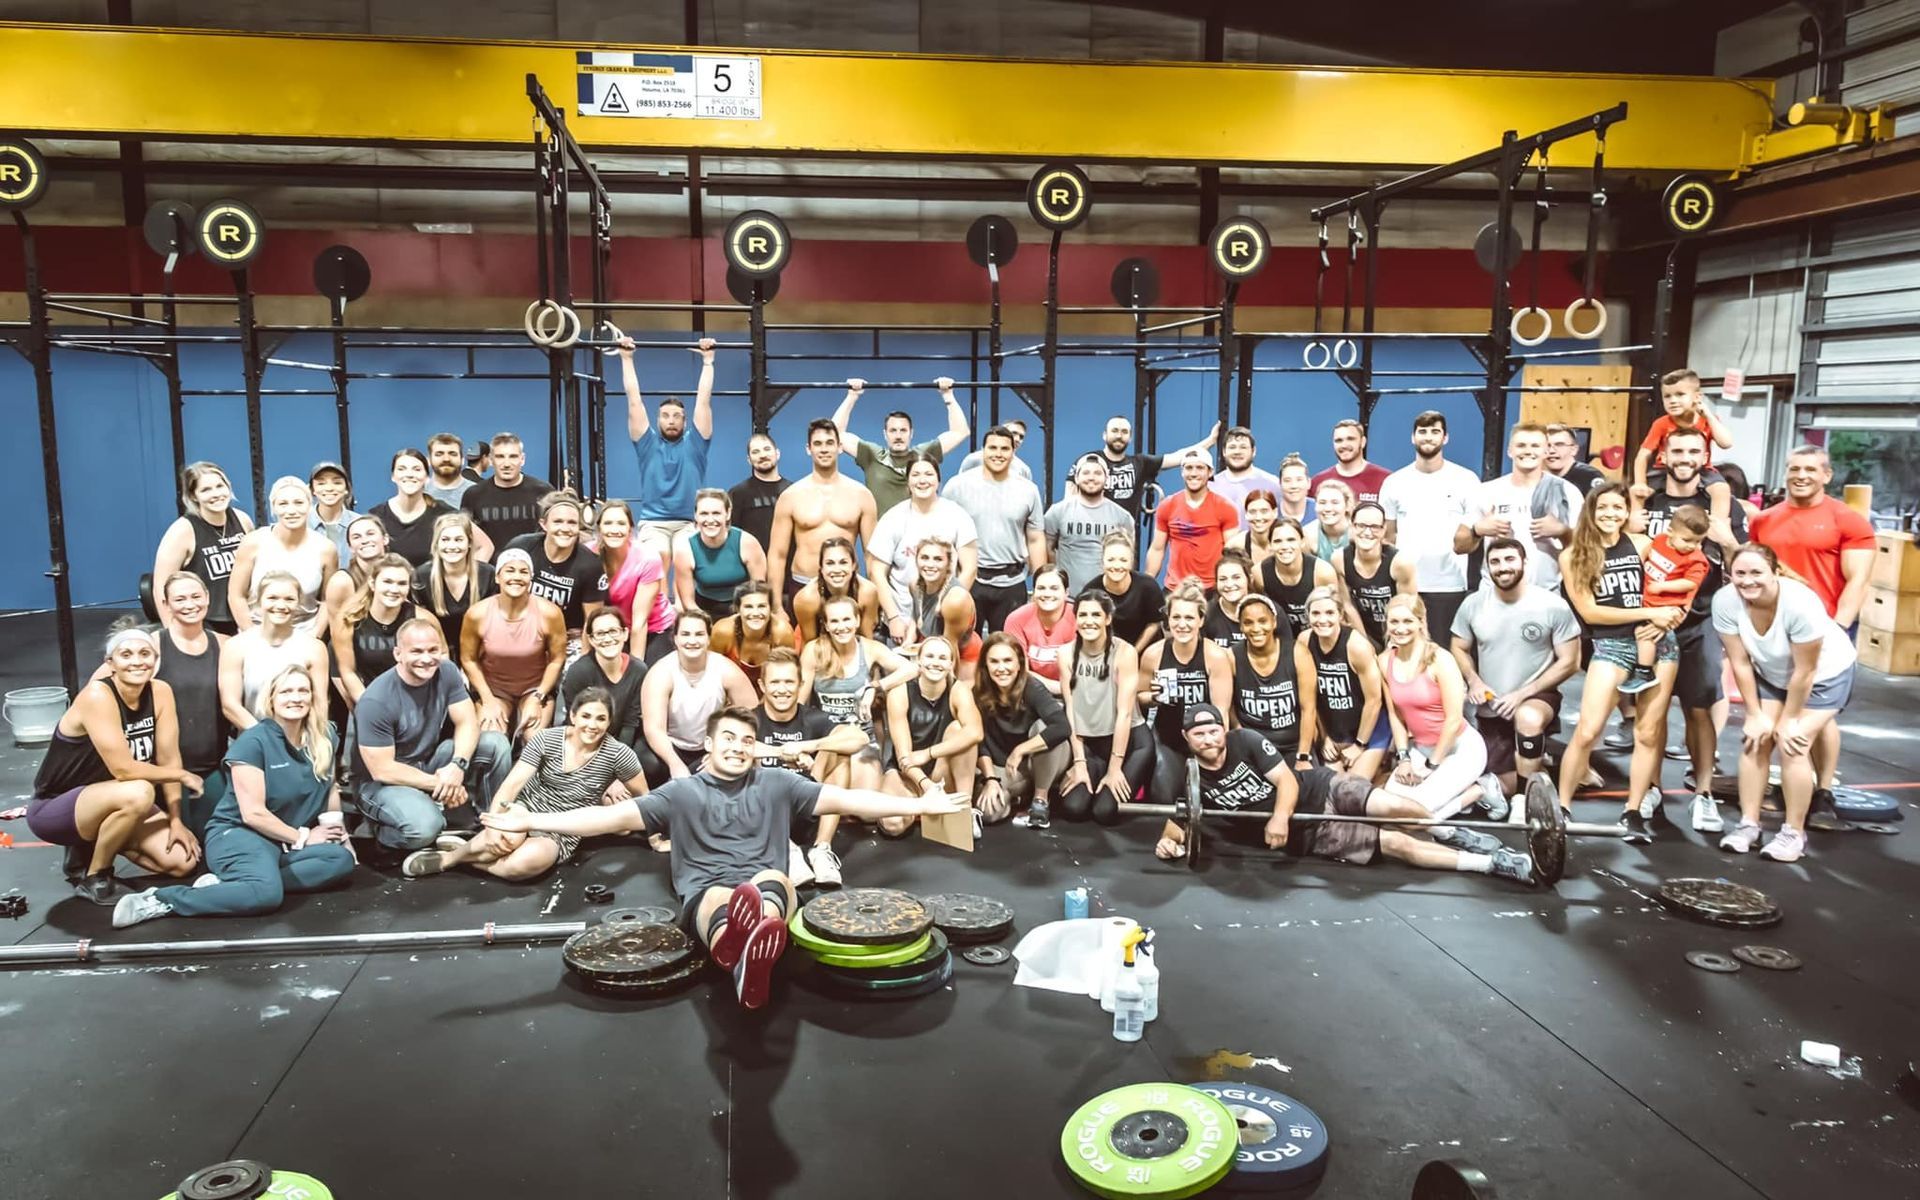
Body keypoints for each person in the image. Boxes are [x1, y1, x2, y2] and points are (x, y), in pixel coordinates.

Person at [481, 707, 968, 1008]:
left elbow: (853, 802)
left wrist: (919, 804)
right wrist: (531, 823)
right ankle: (742, 950)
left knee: (772, 880)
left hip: (763, 887)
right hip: (709, 894)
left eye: (747, 741)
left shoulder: (781, 784)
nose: (738, 747)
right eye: (728, 739)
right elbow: (604, 819)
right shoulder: (680, 793)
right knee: (718, 895)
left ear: (755, 749)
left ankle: (745, 952)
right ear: (709, 745)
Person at [1148, 705, 1534, 885]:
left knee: (1392, 805)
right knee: (1398, 844)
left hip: (1320, 787)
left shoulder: (1244, 740)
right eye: (1199, 734)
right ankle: (1492, 864)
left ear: (1221, 729)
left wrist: (1279, 817)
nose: (1209, 738)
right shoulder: (1194, 778)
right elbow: (1179, 823)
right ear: (1187, 740)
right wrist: (1168, 843)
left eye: (1213, 730)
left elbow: (1285, 781)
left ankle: (1449, 832)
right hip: (1312, 834)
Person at [111, 664, 354, 927]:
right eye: (286, 691)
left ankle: (233, 885)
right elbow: (253, 814)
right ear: (271, 698)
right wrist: (303, 838)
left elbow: (329, 786)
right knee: (266, 895)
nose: (295, 698)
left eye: (302, 691)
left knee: (340, 861)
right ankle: (162, 899)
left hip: (281, 841)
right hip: (241, 834)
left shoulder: (325, 734)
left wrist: (338, 833)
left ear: (312, 696)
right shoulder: (253, 742)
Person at [28, 625, 202, 903]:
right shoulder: (98, 695)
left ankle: (99, 842)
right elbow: (125, 770)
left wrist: (176, 819)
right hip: (56, 807)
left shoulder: (161, 692)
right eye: (126, 654)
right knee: (140, 790)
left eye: (145, 653)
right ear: (111, 664)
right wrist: (182, 775)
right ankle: (97, 876)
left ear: (155, 661)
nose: (137, 661)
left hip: (116, 797)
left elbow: (169, 757)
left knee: (183, 862)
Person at [402, 687, 649, 882]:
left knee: (524, 864)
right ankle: (448, 859)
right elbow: (512, 784)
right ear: (573, 716)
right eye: (586, 716)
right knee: (505, 840)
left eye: (600, 719)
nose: (592, 725)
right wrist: (493, 823)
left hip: (563, 828)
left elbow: (647, 799)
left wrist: (655, 838)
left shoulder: (618, 754)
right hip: (526, 809)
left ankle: (466, 857)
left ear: (608, 723)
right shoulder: (547, 739)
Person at [1554, 485, 1688, 841]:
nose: (1610, 513)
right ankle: (1561, 808)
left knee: (1647, 732)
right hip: (1611, 645)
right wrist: (1651, 612)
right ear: (1591, 511)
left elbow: (1679, 584)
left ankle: (1633, 811)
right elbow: (1589, 610)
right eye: (1603, 507)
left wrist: (1673, 617)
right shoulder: (1572, 556)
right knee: (1587, 729)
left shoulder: (1644, 545)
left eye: (1618, 507)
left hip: (1657, 644)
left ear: (1628, 511)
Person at [1632, 426, 1748, 827]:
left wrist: (1728, 540)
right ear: (1664, 452)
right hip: (1651, 620)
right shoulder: (1647, 492)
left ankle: (1704, 794)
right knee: (1653, 712)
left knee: (1698, 710)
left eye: (1693, 451)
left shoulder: (1719, 500)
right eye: (1677, 449)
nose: (1685, 457)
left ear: (1705, 456)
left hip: (1699, 620)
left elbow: (1739, 563)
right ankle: (1651, 791)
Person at [1713, 545, 1859, 863]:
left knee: (1792, 743)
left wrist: (1789, 720)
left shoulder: (1800, 604)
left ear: (1775, 572)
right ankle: (1749, 825)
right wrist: (1753, 714)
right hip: (1772, 672)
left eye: (1756, 573)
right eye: (1740, 573)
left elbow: (1805, 671)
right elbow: (1739, 662)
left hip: (1825, 675)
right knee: (1755, 740)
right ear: (1730, 575)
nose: (1748, 581)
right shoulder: (1725, 600)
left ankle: (1794, 833)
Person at [355, 618, 513, 851]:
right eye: (416, 651)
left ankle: (491, 823)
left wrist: (458, 766)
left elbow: (468, 722)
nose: (427, 658)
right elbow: (383, 770)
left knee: (495, 743)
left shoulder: (446, 671)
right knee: (425, 829)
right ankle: (382, 830)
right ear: (398, 654)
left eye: (433, 650)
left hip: (427, 763)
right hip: (382, 784)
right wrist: (443, 784)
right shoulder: (375, 701)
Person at [1450, 537, 1581, 800]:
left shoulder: (1552, 605)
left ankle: (1525, 801)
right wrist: (1474, 681)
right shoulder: (1473, 604)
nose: (1502, 567)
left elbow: (1571, 661)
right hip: (1492, 705)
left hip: (1536, 696)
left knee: (1528, 718)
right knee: (1497, 783)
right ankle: (1538, 766)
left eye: (1509, 559)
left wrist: (1522, 695)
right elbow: (1458, 647)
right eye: (1495, 562)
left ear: (1524, 562)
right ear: (1487, 568)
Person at [756, 646, 868, 884]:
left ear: (800, 684)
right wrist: (783, 753)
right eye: (775, 682)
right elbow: (729, 748)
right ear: (762, 686)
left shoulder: (812, 718)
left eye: (789, 682)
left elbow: (860, 738)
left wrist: (809, 746)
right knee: (744, 764)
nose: (783, 690)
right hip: (764, 817)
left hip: (805, 810)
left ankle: (821, 850)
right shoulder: (750, 719)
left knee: (839, 752)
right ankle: (787, 851)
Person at [1378, 595, 1491, 818]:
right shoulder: (1384, 661)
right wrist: (1404, 759)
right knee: (1389, 809)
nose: (1400, 629)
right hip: (1420, 748)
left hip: (1460, 748)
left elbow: (1453, 720)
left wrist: (1431, 767)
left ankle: (1482, 789)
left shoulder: (1441, 659)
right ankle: (1457, 798)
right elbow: (1396, 715)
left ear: (1421, 622)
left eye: (1408, 621)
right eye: (1394, 622)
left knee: (1416, 814)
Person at [1750, 444, 1875, 632]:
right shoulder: (1762, 520)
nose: (1801, 476)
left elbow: (1859, 581)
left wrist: (1838, 628)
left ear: (1827, 475)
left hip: (1823, 625)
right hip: (1771, 626)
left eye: (1810, 470)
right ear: (1786, 473)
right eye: (1794, 469)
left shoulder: (1848, 520)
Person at [1380, 411, 1478, 643]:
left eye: (1435, 432)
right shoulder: (1394, 482)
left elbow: (1473, 536)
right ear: (1413, 437)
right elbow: (1388, 536)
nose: (1428, 437)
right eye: (1422, 432)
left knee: (1442, 653)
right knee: (1406, 652)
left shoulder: (1466, 480)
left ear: (1445, 438)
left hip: (1449, 585)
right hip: (1406, 586)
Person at [1056, 591, 1152, 825]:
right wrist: (1079, 763)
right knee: (1074, 809)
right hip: (1090, 741)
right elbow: (1070, 710)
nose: (1089, 621)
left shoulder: (1125, 652)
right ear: (1075, 619)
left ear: (1107, 619)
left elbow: (1125, 714)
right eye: (1083, 615)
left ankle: (1131, 781)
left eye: (1096, 614)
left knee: (1104, 812)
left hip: (1129, 742)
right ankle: (1093, 776)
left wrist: (1115, 768)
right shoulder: (1066, 653)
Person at [146, 573, 230, 835]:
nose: (189, 604)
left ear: (207, 597)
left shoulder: (225, 644)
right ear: (166, 604)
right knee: (182, 857)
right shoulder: (152, 646)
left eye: (195, 596)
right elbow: (101, 686)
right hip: (165, 772)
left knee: (214, 842)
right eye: (179, 599)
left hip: (210, 769)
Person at [1455, 423, 1583, 595]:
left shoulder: (1567, 492)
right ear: (1510, 451)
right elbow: (1459, 545)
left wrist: (1562, 531)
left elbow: (1587, 547)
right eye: (1521, 445)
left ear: (1546, 451)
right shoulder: (1487, 491)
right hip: (1494, 597)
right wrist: (1477, 530)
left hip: (1545, 596)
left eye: (1535, 446)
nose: (1528, 451)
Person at [941, 424, 1046, 633]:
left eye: (1004, 449)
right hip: (969, 581)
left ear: (1013, 451)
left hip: (1012, 583)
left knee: (1008, 650)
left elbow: (1035, 539)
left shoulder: (1028, 490)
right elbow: (943, 537)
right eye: (992, 448)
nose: (998, 454)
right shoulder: (957, 486)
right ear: (983, 450)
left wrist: (1040, 585)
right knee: (964, 647)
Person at [621, 335, 717, 559]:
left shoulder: (696, 443)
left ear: (685, 421)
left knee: (685, 557)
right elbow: (634, 400)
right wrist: (626, 358)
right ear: (657, 421)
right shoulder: (647, 443)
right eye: (665, 416)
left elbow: (704, 400)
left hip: (688, 522)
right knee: (659, 555)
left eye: (677, 416)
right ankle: (660, 597)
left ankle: (684, 597)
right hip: (653, 523)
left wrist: (708, 361)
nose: (671, 420)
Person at [640, 609, 760, 786]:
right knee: (648, 764)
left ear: (708, 639)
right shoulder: (660, 673)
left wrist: (720, 751)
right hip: (671, 745)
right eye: (686, 634)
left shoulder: (725, 670)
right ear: (675, 638)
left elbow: (752, 715)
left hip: (709, 747)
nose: (692, 641)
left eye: (699, 634)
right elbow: (654, 729)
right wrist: (676, 765)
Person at [880, 635, 984, 838]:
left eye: (943, 658)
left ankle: (965, 808)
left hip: (940, 768)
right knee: (892, 825)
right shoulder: (900, 693)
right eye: (930, 656)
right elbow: (904, 758)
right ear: (919, 661)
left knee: (959, 730)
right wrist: (929, 788)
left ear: (951, 664)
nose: (936, 662)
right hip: (907, 774)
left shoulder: (958, 690)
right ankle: (926, 806)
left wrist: (929, 753)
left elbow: (975, 732)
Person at [1138, 584, 1234, 804]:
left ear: (1200, 621)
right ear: (1168, 620)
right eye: (1176, 617)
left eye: (1189, 618)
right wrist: (1152, 697)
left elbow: (1221, 713)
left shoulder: (1214, 656)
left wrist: (1217, 754)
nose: (1182, 625)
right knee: (1164, 797)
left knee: (1211, 800)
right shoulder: (1153, 654)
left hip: (1205, 740)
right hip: (1168, 739)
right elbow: (1138, 698)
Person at [459, 549, 567, 744]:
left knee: (534, 740)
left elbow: (557, 658)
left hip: (535, 688)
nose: (517, 577)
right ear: (498, 577)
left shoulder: (550, 613)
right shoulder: (477, 614)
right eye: (510, 570)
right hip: (494, 690)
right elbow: (468, 659)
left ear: (531, 579)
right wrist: (487, 699)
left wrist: (538, 695)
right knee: (490, 739)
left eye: (523, 572)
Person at [869, 453, 978, 643]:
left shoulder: (957, 515)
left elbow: (970, 569)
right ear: (908, 480)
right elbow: (876, 572)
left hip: (945, 619)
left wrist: (949, 605)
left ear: (938, 479)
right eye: (915, 474)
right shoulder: (893, 518)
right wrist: (893, 617)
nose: (922, 480)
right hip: (903, 621)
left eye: (928, 474)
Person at [767, 418, 878, 602]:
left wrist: (877, 601)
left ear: (840, 447)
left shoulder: (861, 495)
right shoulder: (790, 497)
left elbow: (872, 556)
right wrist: (777, 606)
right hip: (802, 585)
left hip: (847, 587)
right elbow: (777, 555)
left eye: (829, 443)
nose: (824, 449)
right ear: (808, 449)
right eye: (817, 444)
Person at [973, 632, 1071, 829]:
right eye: (994, 661)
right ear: (985, 665)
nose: (1001, 668)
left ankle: (1040, 798)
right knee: (989, 814)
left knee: (1043, 727)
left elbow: (1062, 726)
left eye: (1008, 660)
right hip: (1003, 768)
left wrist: (1021, 750)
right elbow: (979, 742)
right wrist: (990, 779)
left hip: (1037, 761)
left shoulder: (1032, 687)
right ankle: (1017, 797)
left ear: (1019, 664)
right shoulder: (977, 693)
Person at [831, 377, 970, 515]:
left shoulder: (923, 455)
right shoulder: (872, 455)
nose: (898, 436)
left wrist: (948, 395)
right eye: (893, 431)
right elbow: (835, 434)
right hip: (880, 534)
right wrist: (852, 396)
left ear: (911, 433)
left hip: (918, 534)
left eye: (903, 430)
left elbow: (960, 432)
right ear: (885, 434)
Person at [801, 594, 916, 760]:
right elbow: (800, 703)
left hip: (862, 738)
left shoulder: (870, 648)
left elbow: (911, 668)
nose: (842, 627)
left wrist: (875, 686)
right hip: (828, 739)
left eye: (847, 619)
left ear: (857, 620)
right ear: (826, 625)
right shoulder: (814, 650)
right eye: (834, 621)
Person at [1295, 587, 1389, 779]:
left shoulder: (1357, 646)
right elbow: (1310, 697)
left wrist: (1360, 745)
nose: (1322, 620)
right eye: (1316, 613)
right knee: (1332, 788)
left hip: (1370, 732)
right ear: (1308, 616)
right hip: (1334, 731)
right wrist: (1324, 738)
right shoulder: (1304, 641)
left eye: (1329, 613)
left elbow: (1374, 700)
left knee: (1352, 789)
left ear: (1340, 615)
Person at [219, 571, 332, 730]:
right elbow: (230, 705)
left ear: (298, 603)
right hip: (251, 740)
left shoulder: (314, 648)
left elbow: (320, 705)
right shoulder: (235, 646)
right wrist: (267, 740)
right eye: (272, 598)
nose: (281, 606)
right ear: (259, 601)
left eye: (289, 599)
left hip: (299, 742)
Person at [152, 461, 254, 634]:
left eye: (219, 486)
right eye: (206, 490)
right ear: (193, 496)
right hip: (204, 622)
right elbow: (161, 588)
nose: (216, 494)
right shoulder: (182, 531)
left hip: (244, 615)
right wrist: (173, 636)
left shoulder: (242, 520)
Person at [228, 476, 335, 634]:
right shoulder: (253, 542)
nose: (291, 511)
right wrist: (251, 637)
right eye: (283, 504)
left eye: (298, 503)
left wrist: (315, 636)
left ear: (310, 506)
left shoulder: (326, 548)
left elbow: (329, 600)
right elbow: (236, 595)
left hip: (305, 634)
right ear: (274, 508)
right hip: (258, 631)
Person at [504, 489, 606, 650]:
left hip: (569, 638)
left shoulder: (590, 565)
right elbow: (501, 598)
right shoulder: (521, 548)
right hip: (520, 629)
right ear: (543, 524)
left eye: (572, 522)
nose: (565, 528)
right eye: (558, 521)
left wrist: (583, 663)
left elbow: (592, 621)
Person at [1632, 369, 1735, 518]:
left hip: (1702, 470)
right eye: (1667, 396)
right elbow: (1642, 456)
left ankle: (1718, 525)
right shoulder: (1661, 423)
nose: (1672, 400)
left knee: (1721, 489)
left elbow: (1726, 443)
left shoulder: (1707, 420)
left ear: (1697, 397)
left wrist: (1709, 415)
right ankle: (1636, 524)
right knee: (1635, 492)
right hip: (1664, 470)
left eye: (1680, 395)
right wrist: (1640, 483)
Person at [1086, 415, 1219, 525]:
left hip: (1124, 540)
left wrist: (1211, 441)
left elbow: (1178, 456)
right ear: (1104, 435)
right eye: (1114, 430)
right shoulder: (1089, 461)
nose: (1119, 436)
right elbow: (1072, 499)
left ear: (1130, 438)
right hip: (1092, 536)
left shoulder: (1140, 463)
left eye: (1124, 432)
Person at [1634, 504, 1712, 689]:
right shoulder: (1659, 540)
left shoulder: (1696, 559)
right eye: (1687, 540)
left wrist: (1663, 586)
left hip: (1666, 607)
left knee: (1646, 636)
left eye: (1699, 541)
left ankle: (1644, 672)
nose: (1693, 546)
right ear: (1670, 531)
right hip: (1645, 603)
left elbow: (1691, 583)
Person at [331, 554, 421, 708]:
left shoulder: (422, 619)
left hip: (415, 701)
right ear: (372, 583)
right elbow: (348, 672)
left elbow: (441, 659)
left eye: (401, 583)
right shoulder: (348, 620)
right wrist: (371, 708)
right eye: (387, 582)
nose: (394, 589)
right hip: (369, 699)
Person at [596, 498, 675, 663]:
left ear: (630, 529)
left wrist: (635, 669)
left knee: (647, 678)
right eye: (608, 523)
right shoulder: (589, 554)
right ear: (599, 528)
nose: (614, 530)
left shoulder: (647, 558)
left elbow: (640, 622)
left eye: (621, 524)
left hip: (654, 629)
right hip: (615, 631)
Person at [1147, 450, 1238, 590]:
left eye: (1200, 468)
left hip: (1212, 589)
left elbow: (1232, 553)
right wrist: (1146, 584)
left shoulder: (1225, 507)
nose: (1194, 473)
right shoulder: (1167, 505)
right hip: (1175, 589)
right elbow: (1157, 549)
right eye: (1189, 468)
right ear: (1182, 472)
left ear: (1210, 472)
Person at [561, 607, 645, 757]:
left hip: (621, 740)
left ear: (625, 634)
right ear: (591, 640)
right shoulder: (578, 672)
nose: (607, 639)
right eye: (600, 634)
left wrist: (617, 759)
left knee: (649, 762)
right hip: (585, 737)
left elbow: (630, 722)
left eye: (613, 631)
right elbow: (576, 721)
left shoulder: (638, 670)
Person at [671, 488, 766, 618]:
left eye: (716, 513)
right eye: (704, 513)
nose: (710, 520)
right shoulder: (684, 550)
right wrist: (708, 624)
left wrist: (741, 618)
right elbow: (689, 603)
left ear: (727, 514)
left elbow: (759, 592)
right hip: (704, 611)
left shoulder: (747, 543)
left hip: (744, 610)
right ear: (695, 515)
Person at [1045, 453, 1133, 593]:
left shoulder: (1123, 517)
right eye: (1086, 472)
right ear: (1076, 478)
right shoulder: (1057, 512)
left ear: (1107, 479)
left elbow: (1127, 558)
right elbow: (1047, 548)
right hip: (1067, 598)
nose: (1091, 477)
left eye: (1098, 473)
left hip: (1107, 599)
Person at [1336, 501, 1418, 649]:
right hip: (1362, 633)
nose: (1367, 533)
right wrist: (1366, 645)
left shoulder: (1401, 563)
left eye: (1374, 527)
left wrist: (1394, 646)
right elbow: (1347, 606)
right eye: (1361, 526)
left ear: (1383, 529)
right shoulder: (1339, 559)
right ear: (1352, 526)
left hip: (1399, 632)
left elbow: (1410, 610)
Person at [1230, 593, 1302, 757]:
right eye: (1248, 623)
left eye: (1263, 621)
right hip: (1253, 748)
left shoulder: (1298, 653)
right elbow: (1228, 707)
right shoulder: (1231, 657)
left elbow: (1309, 709)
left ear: (1274, 622)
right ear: (1240, 626)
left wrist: (1303, 755)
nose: (1256, 629)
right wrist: (1241, 736)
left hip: (1293, 746)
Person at [411, 511, 495, 652]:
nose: (451, 546)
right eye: (445, 539)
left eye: (458, 539)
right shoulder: (422, 577)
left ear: (469, 543)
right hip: (436, 653)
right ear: (436, 543)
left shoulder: (487, 575)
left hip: (481, 651)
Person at [366, 448, 462, 568]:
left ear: (427, 477)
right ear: (393, 476)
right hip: (393, 586)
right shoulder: (376, 517)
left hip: (433, 586)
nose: (409, 474)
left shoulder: (445, 514)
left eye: (416, 469)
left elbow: (482, 546)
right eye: (401, 469)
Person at [903, 535, 983, 678]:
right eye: (925, 557)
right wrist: (909, 640)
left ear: (948, 564)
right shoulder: (914, 585)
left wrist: (949, 690)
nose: (930, 564)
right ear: (916, 560)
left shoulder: (955, 599)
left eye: (938, 559)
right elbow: (917, 615)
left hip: (961, 656)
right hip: (929, 650)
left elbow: (950, 650)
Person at [460, 432, 551, 548]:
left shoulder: (544, 492)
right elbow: (464, 536)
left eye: (513, 456)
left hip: (533, 565)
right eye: (500, 457)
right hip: (488, 565)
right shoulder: (473, 495)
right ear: (491, 460)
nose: (506, 464)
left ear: (522, 459)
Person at [1255, 518, 1339, 635]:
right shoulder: (1259, 573)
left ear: (1302, 541)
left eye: (1291, 540)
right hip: (1279, 639)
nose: (1284, 546)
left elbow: (1335, 616)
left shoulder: (1322, 572)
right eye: (1278, 541)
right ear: (1270, 545)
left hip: (1317, 637)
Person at [793, 536, 883, 644]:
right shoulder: (806, 598)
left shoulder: (868, 592)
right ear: (821, 568)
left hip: (853, 644)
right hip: (819, 647)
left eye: (843, 562)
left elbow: (866, 640)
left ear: (854, 565)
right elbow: (810, 645)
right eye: (830, 563)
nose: (837, 570)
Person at [710, 581, 795, 691]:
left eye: (762, 606)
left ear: (770, 608)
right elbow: (712, 673)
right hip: (730, 692)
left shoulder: (782, 632)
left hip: (772, 692)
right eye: (748, 607)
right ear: (737, 609)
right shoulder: (723, 631)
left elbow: (787, 675)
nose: (755, 613)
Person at [1004, 564, 1077, 691]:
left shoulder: (1080, 617)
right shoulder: (1016, 619)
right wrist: (1058, 688)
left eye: (1054, 588)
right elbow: (1018, 671)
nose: (1047, 594)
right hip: (1030, 690)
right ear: (1033, 592)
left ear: (1066, 593)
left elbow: (1086, 671)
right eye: (1041, 588)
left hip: (1075, 689)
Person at [1089, 530, 1164, 654]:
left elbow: (1154, 623)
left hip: (1146, 654)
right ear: (1103, 561)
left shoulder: (1148, 587)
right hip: (1107, 654)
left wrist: (1133, 653)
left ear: (1131, 562)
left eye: (1123, 560)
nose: (1117, 566)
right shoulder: (1092, 591)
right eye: (1111, 560)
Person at [727, 431, 790, 554]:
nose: (762, 455)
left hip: (788, 568)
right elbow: (730, 537)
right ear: (749, 460)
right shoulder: (738, 493)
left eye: (767, 449)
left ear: (777, 453)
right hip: (751, 568)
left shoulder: (793, 491)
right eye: (755, 452)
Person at [321, 514, 392, 621]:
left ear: (385, 539)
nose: (364, 540)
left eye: (370, 534)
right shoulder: (341, 582)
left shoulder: (399, 573)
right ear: (350, 547)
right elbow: (337, 630)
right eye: (356, 537)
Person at [1309, 418, 1392, 505]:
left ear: (1363, 442)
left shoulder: (1385, 480)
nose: (1344, 445)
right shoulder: (1318, 482)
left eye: (1350, 439)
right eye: (1339, 440)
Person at [1210, 426, 1282, 520]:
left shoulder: (1273, 484)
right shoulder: (1211, 485)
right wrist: (1210, 441)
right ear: (1224, 452)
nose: (1237, 452)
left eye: (1243, 447)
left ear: (1253, 451)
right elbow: (1186, 460)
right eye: (1232, 447)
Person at [307, 461, 359, 567]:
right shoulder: (301, 524)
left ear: (346, 489)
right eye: (321, 483)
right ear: (313, 490)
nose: (329, 488)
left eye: (337, 483)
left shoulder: (359, 524)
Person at [1202, 551, 1254, 651]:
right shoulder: (1206, 614)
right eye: (1223, 579)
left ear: (1249, 579)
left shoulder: (1269, 610)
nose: (1229, 584)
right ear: (1216, 583)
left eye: (1236, 577)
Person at [957, 418, 1034, 479]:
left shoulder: (1023, 469)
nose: (1017, 439)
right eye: (1014, 433)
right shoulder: (974, 459)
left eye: (1021, 437)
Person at [1544, 423, 1607, 496]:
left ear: (1574, 450)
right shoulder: (1536, 478)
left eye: (1559, 445)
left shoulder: (1590, 476)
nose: (1551, 451)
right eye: (1547, 445)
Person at [1223, 488, 1279, 568]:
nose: (1258, 517)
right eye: (1252, 512)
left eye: (1264, 511)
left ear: (1275, 512)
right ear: (1246, 514)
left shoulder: (1288, 541)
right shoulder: (1235, 545)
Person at [1303, 478, 1354, 562]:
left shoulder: (1358, 532)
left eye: (1335, 502)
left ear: (1347, 505)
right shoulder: (1307, 534)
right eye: (1322, 502)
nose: (1328, 508)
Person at [423, 431, 476, 507]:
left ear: (462, 460)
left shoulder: (479, 493)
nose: (446, 459)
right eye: (439, 454)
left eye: (452, 454)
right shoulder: (418, 494)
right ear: (429, 460)